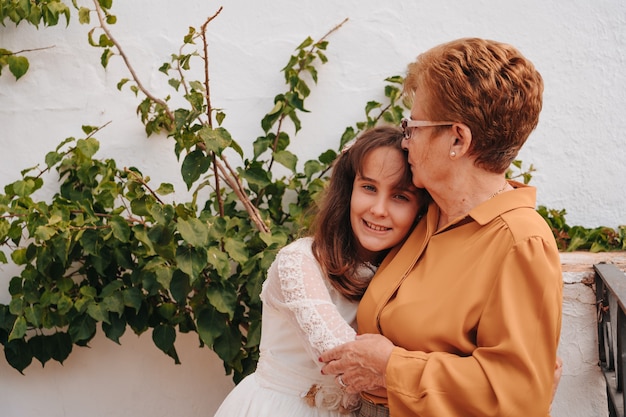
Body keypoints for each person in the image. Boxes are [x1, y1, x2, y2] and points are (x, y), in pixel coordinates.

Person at [319, 37, 563, 417]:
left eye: (413, 125)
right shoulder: (429, 214)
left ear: (457, 139)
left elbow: (519, 395)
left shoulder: (519, 242)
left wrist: (391, 368)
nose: (406, 139)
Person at [213, 126, 429, 417]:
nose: (379, 209)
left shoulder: (406, 273)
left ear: (420, 210)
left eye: (400, 196)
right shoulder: (300, 261)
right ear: (349, 190)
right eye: (368, 188)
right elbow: (343, 360)